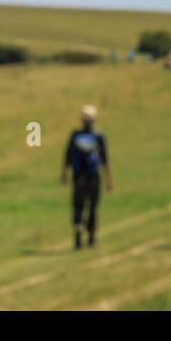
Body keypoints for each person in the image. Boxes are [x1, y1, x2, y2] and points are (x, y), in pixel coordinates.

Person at [61, 105, 112, 249]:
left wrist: (64, 174)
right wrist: (109, 179)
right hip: (93, 177)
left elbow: (67, 156)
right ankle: (91, 238)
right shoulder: (98, 136)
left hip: (78, 177)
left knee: (78, 206)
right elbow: (104, 159)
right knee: (92, 207)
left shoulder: (75, 135)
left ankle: (78, 235)